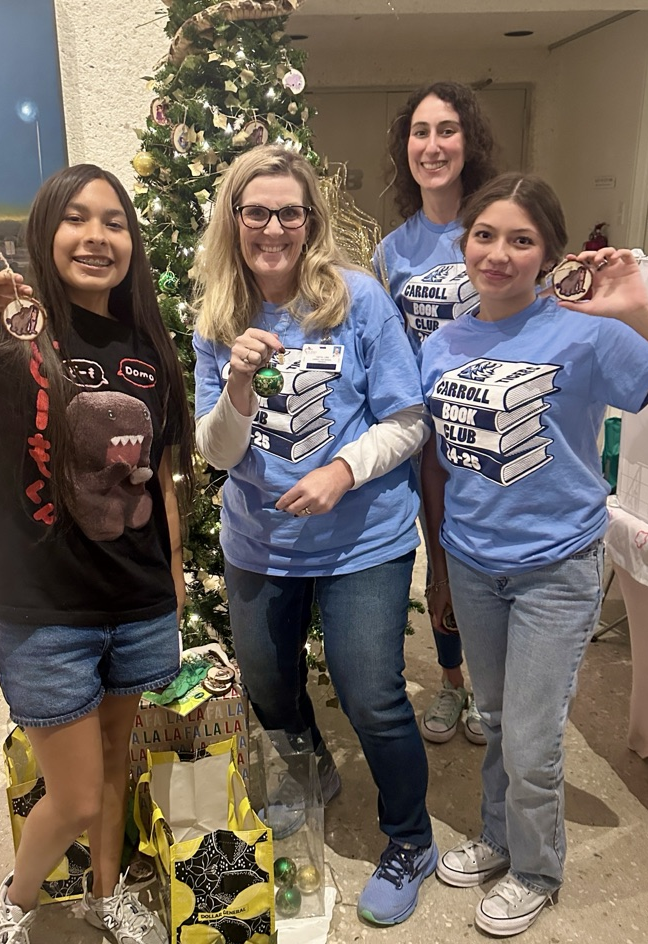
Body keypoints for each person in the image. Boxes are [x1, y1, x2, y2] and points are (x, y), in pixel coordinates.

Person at [419, 171, 648, 937]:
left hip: (556, 566)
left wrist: (639, 308)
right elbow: (440, 461)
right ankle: (502, 836)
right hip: (474, 561)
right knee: (498, 716)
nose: (499, 253)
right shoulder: (441, 343)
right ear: (463, 242)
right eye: (485, 235)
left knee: (534, 738)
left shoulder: (587, 330)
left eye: (521, 240)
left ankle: (538, 870)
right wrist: (439, 563)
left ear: (548, 253)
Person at [0, 163, 194, 944]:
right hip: (46, 609)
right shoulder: (6, 332)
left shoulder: (148, 344)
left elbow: (162, 467)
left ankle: (107, 889)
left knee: (118, 761)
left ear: (133, 241)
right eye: (77, 219)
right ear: (45, 232)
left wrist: (177, 572)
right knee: (79, 795)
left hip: (137, 598)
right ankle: (17, 901)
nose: (97, 236)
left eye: (115, 221)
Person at [192, 144, 436, 927]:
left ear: (310, 220)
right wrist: (233, 382)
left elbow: (408, 420)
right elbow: (218, 454)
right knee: (267, 688)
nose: (273, 227)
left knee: (375, 696)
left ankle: (410, 838)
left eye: (289, 212)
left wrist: (342, 473)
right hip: (259, 544)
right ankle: (311, 776)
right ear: (234, 219)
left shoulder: (356, 300)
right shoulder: (216, 317)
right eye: (256, 211)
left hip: (364, 538)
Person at [377, 81, 496, 746]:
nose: (432, 145)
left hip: (492, 427)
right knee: (443, 562)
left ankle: (495, 684)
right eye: (420, 132)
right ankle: (454, 684)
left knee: (494, 557)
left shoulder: (495, 226)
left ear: (468, 141)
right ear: (406, 148)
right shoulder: (393, 250)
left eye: (446, 129)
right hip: (427, 436)